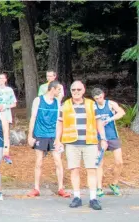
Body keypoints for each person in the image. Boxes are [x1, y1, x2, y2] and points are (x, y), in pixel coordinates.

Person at [56, 81, 107, 210]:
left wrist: (103, 138)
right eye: (73, 90)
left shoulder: (91, 104)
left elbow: (98, 121)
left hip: (89, 142)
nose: (76, 92)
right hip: (72, 143)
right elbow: (60, 123)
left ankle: (93, 198)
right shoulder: (65, 105)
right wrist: (58, 139)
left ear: (83, 90)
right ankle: (77, 197)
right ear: (71, 91)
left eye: (79, 89)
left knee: (91, 170)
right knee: (74, 170)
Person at [26, 80, 71, 198]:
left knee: (58, 161)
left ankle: (61, 188)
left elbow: (58, 122)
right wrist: (30, 136)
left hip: (52, 135)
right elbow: (33, 118)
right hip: (40, 134)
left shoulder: (57, 103)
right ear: (53, 89)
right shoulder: (38, 100)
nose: (61, 92)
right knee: (39, 162)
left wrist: (58, 139)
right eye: (59, 90)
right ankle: (36, 188)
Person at [92, 88, 125, 197]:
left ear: (103, 95)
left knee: (119, 162)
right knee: (99, 163)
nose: (99, 100)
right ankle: (99, 188)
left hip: (112, 136)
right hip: (99, 138)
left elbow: (121, 112)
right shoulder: (93, 106)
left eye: (100, 97)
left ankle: (114, 184)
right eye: (97, 98)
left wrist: (110, 119)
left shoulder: (110, 104)